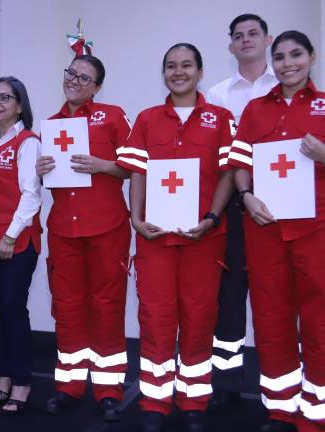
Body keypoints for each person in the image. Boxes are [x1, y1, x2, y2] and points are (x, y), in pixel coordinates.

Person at [228, 31, 325, 432]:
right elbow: (240, 163)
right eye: (279, 57)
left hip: (319, 231)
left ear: (312, 56)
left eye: (296, 55)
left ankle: (318, 417)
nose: (287, 63)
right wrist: (246, 196)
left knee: (323, 322)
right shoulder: (255, 110)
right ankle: (280, 409)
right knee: (271, 319)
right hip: (266, 230)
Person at [116, 44, 235, 432]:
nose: (178, 72)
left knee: (200, 318)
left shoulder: (220, 118)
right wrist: (136, 217)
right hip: (155, 239)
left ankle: (194, 401)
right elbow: (138, 172)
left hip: (204, 238)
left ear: (200, 71)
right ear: (163, 72)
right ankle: (154, 400)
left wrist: (212, 217)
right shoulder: (148, 120)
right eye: (171, 66)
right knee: (155, 318)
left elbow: (228, 174)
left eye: (187, 65)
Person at [36, 55, 132, 422]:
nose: (74, 81)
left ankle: (109, 389)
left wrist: (102, 165)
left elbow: (132, 165)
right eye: (70, 73)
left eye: (84, 77)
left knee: (107, 307)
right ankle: (69, 385)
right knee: (68, 308)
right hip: (64, 228)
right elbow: (47, 180)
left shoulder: (112, 115)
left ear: (97, 85)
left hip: (106, 226)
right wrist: (41, 170)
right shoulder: (51, 124)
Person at [204, 13, 277, 409]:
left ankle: (277, 389)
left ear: (267, 40)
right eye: (238, 36)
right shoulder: (217, 95)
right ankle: (227, 383)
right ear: (230, 46)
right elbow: (217, 157)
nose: (246, 40)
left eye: (253, 34)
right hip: (234, 206)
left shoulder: (285, 88)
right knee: (228, 299)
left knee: (275, 299)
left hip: (282, 206)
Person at [0, 76, 41, 414]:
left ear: (19, 105)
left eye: (5, 97)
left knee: (14, 312)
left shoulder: (28, 142)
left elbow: (31, 195)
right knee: (0, 312)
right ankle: (4, 376)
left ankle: (22, 382)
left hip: (15, 242)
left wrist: (10, 236)